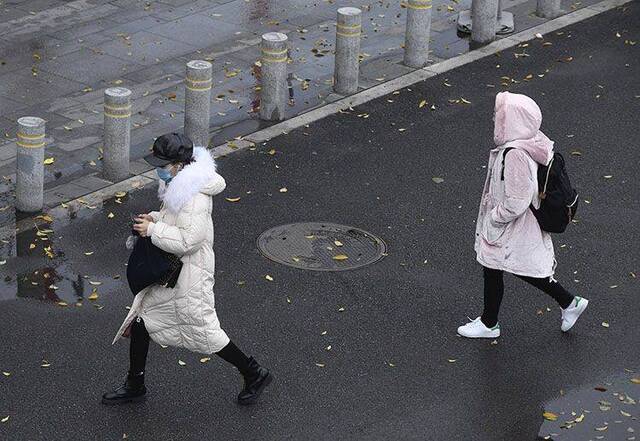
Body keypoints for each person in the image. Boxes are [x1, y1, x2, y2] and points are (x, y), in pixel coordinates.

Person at [102, 133, 272, 405]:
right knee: (142, 319)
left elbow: (188, 240)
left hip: (189, 276)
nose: (158, 169)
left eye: (162, 164)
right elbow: (177, 222)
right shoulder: (182, 186)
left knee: (206, 332)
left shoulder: (194, 196)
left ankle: (254, 372)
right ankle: (135, 383)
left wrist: (153, 229)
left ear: (179, 164)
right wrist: (155, 218)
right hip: (175, 274)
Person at [457, 92, 589, 339]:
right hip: (520, 225)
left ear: (513, 122)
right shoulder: (531, 141)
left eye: (500, 116)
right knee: (501, 266)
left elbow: (517, 200)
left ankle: (490, 324)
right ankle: (568, 303)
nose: (495, 119)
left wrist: (495, 217)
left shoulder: (515, 154)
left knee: (505, 266)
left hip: (513, 225)